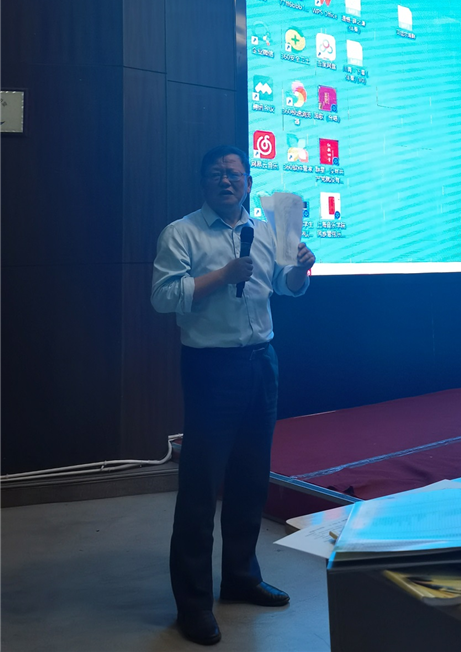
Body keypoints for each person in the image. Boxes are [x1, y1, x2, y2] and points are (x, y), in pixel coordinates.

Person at [151, 145, 315, 646]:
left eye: (235, 174)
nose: (227, 181)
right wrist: (222, 276)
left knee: (250, 478)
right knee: (201, 488)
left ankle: (241, 577)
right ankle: (193, 605)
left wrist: (302, 268)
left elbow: (285, 287)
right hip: (211, 367)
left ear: (248, 182)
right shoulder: (181, 233)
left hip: (261, 361)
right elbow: (162, 297)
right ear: (203, 182)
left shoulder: (268, 231)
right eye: (217, 174)